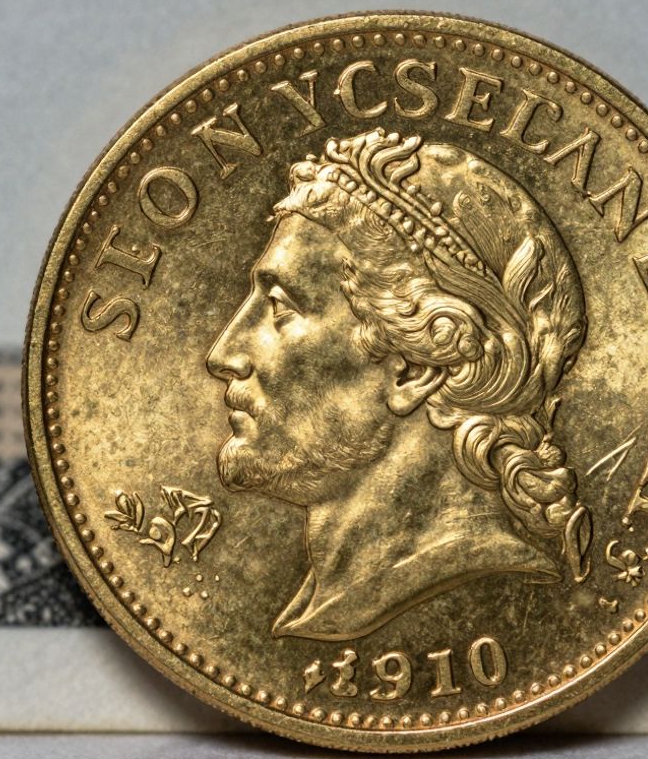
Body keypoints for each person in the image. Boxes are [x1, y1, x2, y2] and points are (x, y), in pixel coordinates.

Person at [205, 129, 591, 641]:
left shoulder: (474, 598)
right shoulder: (324, 603)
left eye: (282, 308)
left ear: (415, 369)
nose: (224, 355)